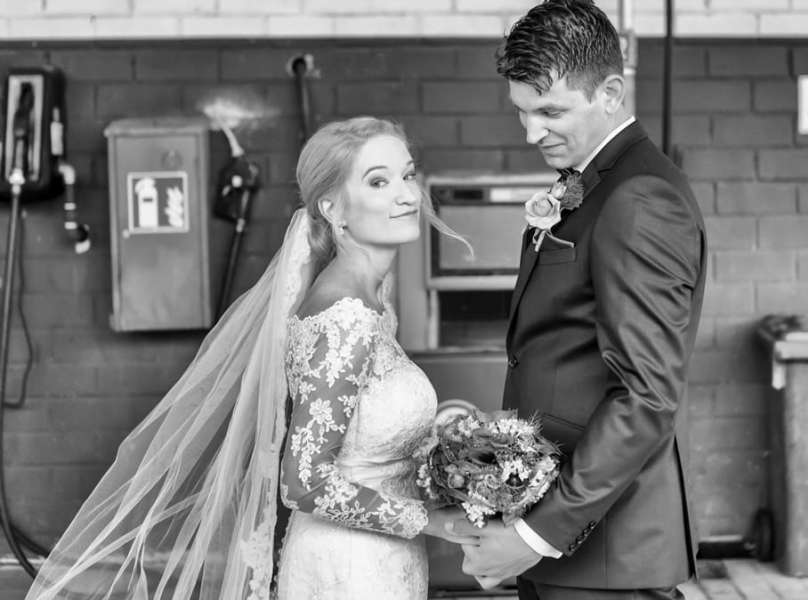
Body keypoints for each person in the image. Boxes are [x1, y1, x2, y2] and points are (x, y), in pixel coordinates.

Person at [25, 117, 475, 600]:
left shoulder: (371, 301)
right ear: (332, 208)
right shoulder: (347, 316)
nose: (407, 195)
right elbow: (304, 482)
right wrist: (432, 521)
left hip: (382, 556)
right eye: (379, 182)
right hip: (352, 568)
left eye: (408, 175)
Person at [456, 1, 708, 599]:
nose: (531, 132)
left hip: (603, 548)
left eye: (550, 111)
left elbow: (646, 396)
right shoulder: (596, 183)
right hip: (567, 540)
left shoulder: (639, 198)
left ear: (610, 93)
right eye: (522, 112)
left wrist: (538, 534)